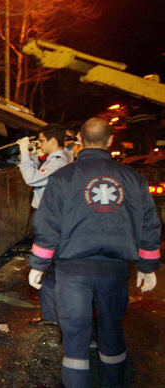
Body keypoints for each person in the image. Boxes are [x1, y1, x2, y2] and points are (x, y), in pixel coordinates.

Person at [28, 117, 161, 388]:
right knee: (112, 330)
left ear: (79, 140)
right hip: (114, 270)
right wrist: (148, 267)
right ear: (110, 140)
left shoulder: (63, 177)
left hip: (72, 271)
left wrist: (39, 264)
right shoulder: (134, 179)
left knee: (75, 336)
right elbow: (149, 223)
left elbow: (47, 223)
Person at [18, 123, 72, 324]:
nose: (39, 144)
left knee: (47, 267)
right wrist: (31, 156)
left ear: (52, 140)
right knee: (49, 270)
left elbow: (32, 179)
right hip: (49, 216)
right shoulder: (54, 159)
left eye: (41, 140)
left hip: (50, 219)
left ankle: (58, 316)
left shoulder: (58, 161)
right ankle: (52, 314)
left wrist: (24, 152)